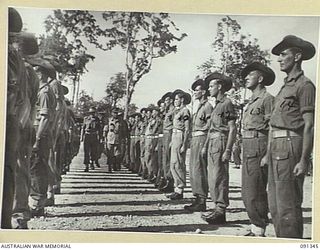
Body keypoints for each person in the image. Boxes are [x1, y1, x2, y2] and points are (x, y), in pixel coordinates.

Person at [263, 35, 316, 238]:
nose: (279, 59)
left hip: (290, 144)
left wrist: (304, 160)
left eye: (283, 54)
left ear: (297, 56)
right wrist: (267, 154)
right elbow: (273, 124)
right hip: (276, 145)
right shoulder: (285, 87)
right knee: (275, 206)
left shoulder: (305, 85)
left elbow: (310, 125)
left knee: (288, 205)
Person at [240, 61, 275, 237]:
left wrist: (268, 155)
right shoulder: (252, 100)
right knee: (247, 189)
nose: (246, 78)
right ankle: (255, 225)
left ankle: (259, 228)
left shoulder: (267, 99)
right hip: (248, 144)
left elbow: (272, 128)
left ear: (260, 78)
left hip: (259, 144)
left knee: (256, 189)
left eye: (250, 75)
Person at [11, 32, 40, 229]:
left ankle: (17, 215)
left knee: (17, 170)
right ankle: (20, 215)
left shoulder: (17, 66)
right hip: (25, 123)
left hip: (16, 122)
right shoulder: (31, 71)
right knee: (21, 169)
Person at [200, 72, 236, 224]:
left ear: (219, 87)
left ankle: (221, 210)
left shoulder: (227, 103)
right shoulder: (216, 105)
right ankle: (216, 208)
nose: (209, 89)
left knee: (219, 177)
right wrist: (205, 146)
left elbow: (232, 128)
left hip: (221, 141)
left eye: (211, 86)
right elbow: (211, 129)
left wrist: (228, 150)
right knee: (212, 177)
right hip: (212, 141)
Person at [28, 58, 57, 217]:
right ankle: (38, 203)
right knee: (35, 167)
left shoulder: (45, 92)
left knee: (37, 168)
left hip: (41, 133)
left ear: (41, 74)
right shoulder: (41, 91)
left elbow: (45, 117)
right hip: (38, 132)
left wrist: (37, 139)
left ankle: (38, 204)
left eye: (35, 72)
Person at [184, 79, 213, 212]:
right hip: (195, 138)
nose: (195, 92)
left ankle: (202, 200)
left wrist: (205, 144)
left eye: (198, 90)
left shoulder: (207, 106)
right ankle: (197, 198)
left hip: (202, 137)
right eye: (194, 90)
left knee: (199, 169)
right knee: (194, 170)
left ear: (204, 91)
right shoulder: (198, 106)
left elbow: (210, 125)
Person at [166, 89, 191, 200]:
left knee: (178, 163)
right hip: (175, 136)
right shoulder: (177, 111)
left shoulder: (185, 111)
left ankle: (180, 190)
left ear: (182, 99)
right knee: (173, 163)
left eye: (176, 99)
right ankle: (176, 188)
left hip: (180, 136)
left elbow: (187, 129)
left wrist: (184, 144)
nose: (175, 101)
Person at [158, 92, 175, 193]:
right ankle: (166, 180)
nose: (165, 102)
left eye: (167, 100)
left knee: (169, 159)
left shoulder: (173, 111)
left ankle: (171, 182)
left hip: (170, 134)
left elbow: (175, 125)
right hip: (165, 134)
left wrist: (172, 140)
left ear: (171, 100)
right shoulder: (167, 111)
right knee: (165, 159)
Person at [81, 107, 101, 172]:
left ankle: (92, 162)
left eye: (93, 113)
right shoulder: (86, 119)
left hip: (94, 136)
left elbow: (99, 129)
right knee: (86, 151)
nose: (92, 114)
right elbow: (83, 128)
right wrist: (81, 137)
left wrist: (100, 137)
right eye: (91, 113)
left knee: (93, 151)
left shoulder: (97, 119)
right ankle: (86, 165)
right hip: (87, 136)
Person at [144, 107, 161, 182]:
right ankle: (150, 172)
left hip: (153, 138)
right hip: (148, 138)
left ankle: (153, 174)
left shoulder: (158, 120)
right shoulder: (151, 120)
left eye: (154, 112)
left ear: (157, 112)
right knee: (147, 157)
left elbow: (155, 131)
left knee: (151, 158)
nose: (153, 114)